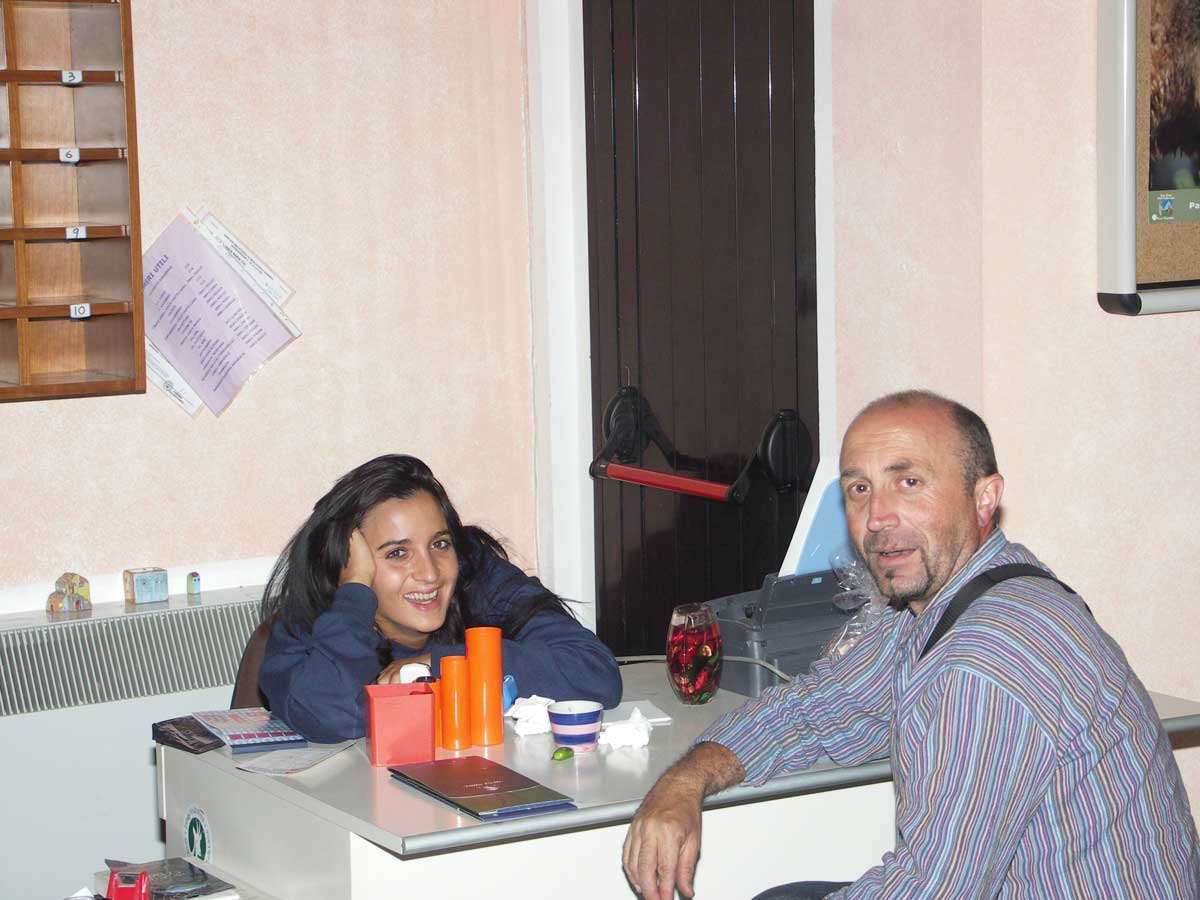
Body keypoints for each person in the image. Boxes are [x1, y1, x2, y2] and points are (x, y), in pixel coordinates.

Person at [623, 390, 1200, 899]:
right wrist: (685, 780)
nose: (877, 516)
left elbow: (933, 887)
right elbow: (816, 709)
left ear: (984, 498)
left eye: (909, 482)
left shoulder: (988, 661)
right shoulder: (948, 602)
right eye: (859, 489)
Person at [258, 454, 622, 742]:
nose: (430, 573)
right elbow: (331, 715)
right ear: (348, 563)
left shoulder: (480, 580)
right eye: (397, 553)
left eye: (440, 544)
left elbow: (596, 674)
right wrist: (354, 594)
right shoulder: (312, 629)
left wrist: (445, 666)